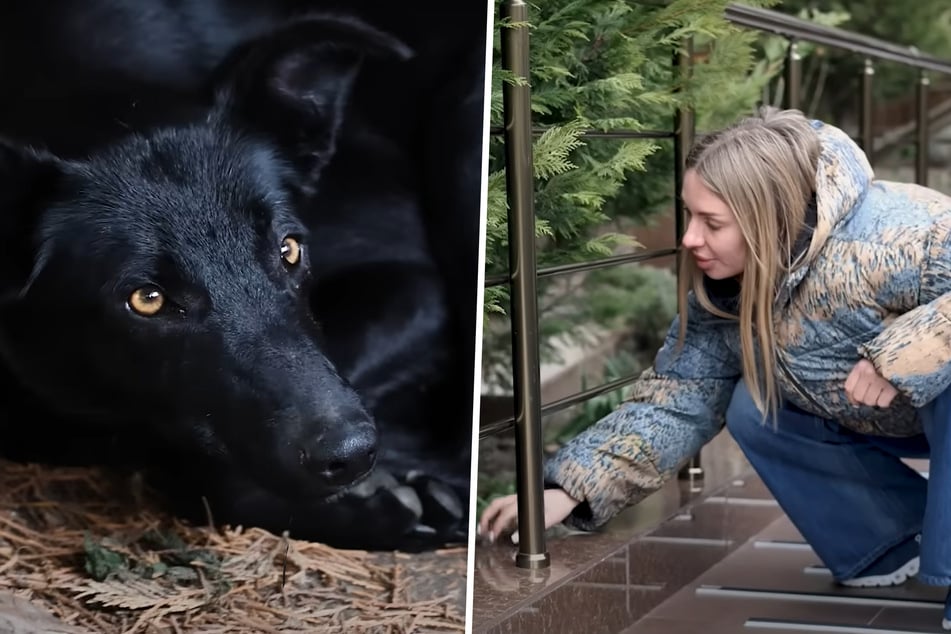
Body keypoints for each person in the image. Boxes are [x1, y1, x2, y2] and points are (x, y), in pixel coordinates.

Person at [478, 107, 951, 629]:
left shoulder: (904, 234)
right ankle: (884, 540)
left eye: (712, 223)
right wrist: (569, 489)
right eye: (689, 215)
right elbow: (678, 394)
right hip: (882, 416)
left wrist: (908, 353)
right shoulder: (729, 285)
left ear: (767, 218)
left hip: (934, 411)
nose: (689, 239)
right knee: (755, 405)